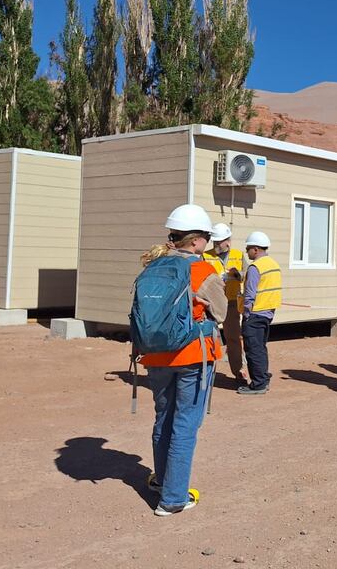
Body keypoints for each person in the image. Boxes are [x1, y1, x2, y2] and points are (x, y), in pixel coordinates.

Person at [139, 204, 226, 516]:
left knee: (163, 417)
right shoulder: (204, 271)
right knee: (186, 423)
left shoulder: (152, 267)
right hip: (194, 356)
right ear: (198, 241)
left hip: (155, 355)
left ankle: (162, 481)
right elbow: (221, 313)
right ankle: (174, 498)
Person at [237, 231, 281, 395]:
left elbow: (250, 294)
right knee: (260, 348)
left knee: (253, 350)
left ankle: (258, 384)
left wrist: (246, 314)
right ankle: (263, 378)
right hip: (267, 313)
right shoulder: (273, 264)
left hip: (254, 314)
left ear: (255, 249)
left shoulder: (256, 267)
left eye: (248, 248)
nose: (247, 252)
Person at [203, 223, 247, 385]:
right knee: (208, 337)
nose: (215, 245)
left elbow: (246, 274)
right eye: (213, 242)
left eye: (218, 242)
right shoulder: (206, 256)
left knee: (233, 338)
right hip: (211, 303)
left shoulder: (238, 254)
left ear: (227, 241)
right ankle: (206, 372)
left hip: (231, 303)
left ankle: (238, 371)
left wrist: (237, 275)